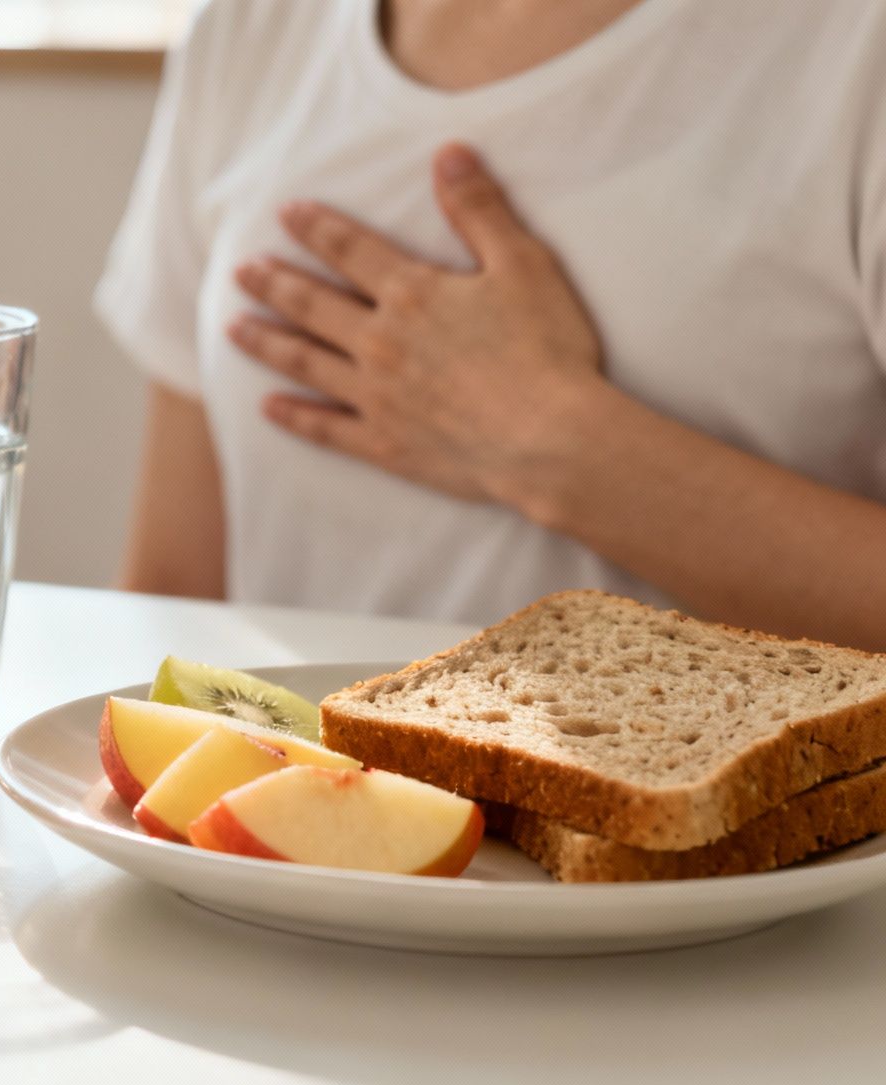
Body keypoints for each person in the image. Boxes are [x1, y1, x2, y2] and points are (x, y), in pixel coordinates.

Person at [96, 0, 886, 651]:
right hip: (292, 828)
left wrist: (551, 443)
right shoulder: (252, 29)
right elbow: (173, 591)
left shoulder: (855, 48)